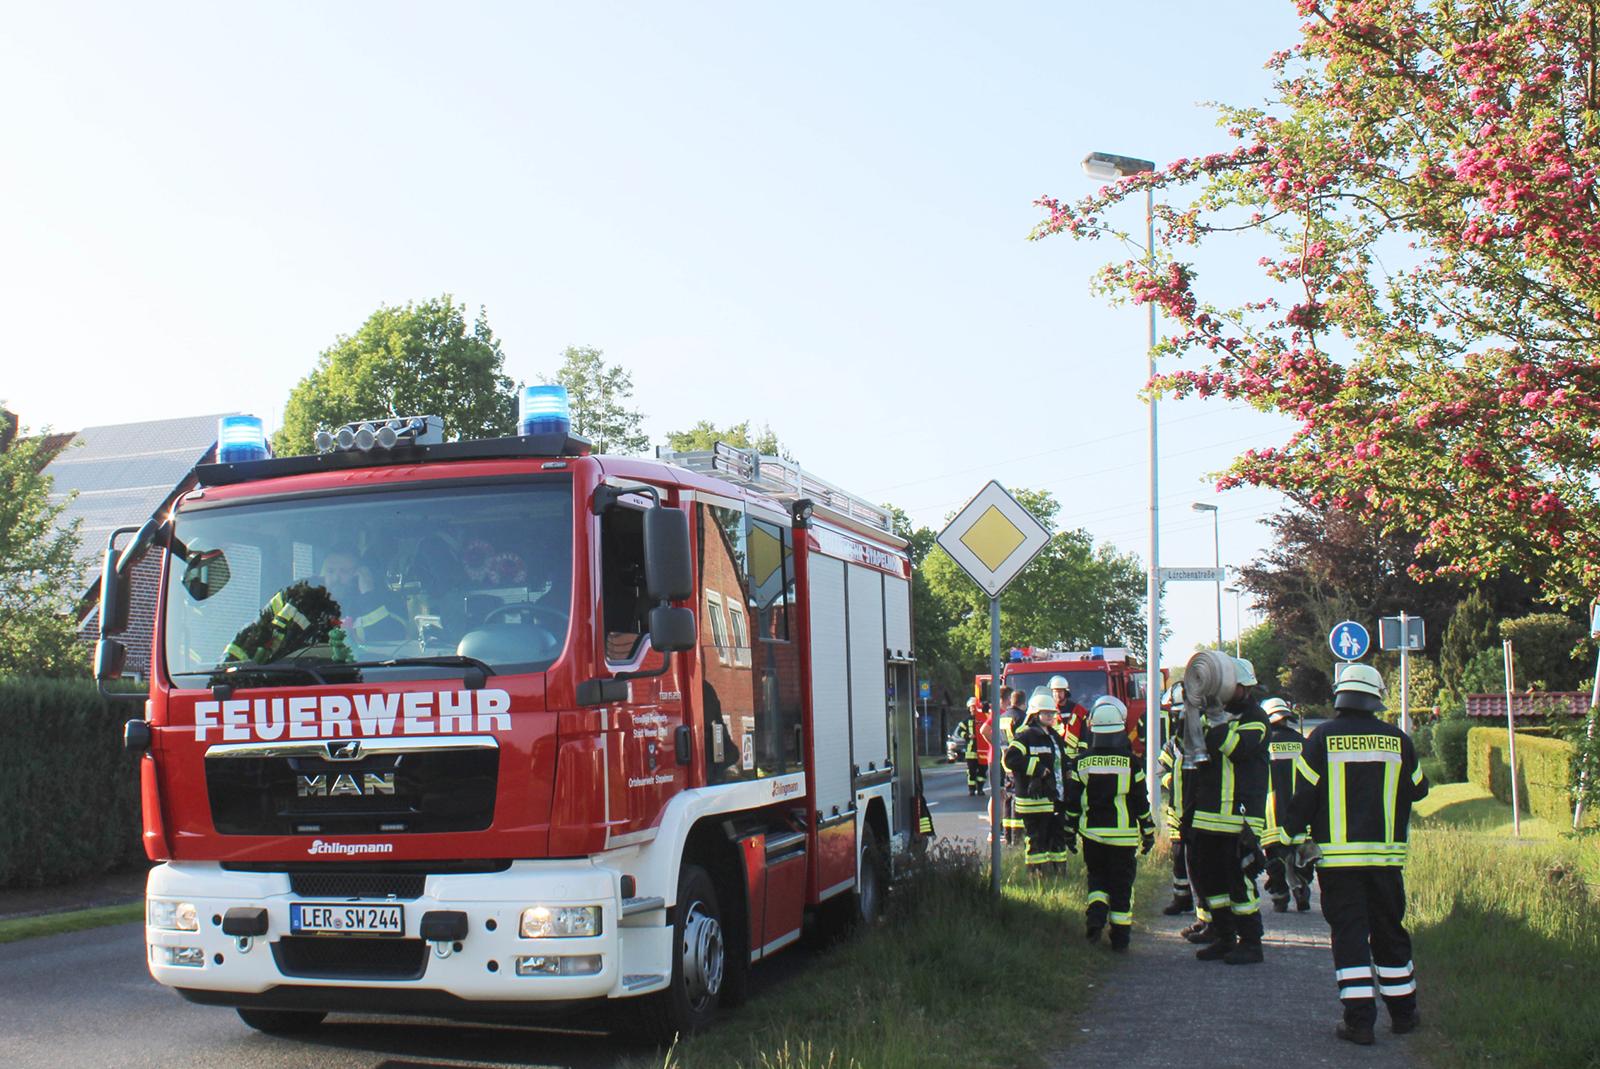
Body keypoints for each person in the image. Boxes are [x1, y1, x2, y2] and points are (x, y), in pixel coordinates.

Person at [1286, 663, 1428, 1047]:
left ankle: (1359, 1022)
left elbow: (1302, 797)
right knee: (1389, 932)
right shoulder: (1398, 740)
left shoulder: (1320, 739)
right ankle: (1404, 1015)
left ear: (1340, 696)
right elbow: (1419, 789)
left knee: (1349, 936)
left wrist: (1289, 841)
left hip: (1338, 864)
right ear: (1376, 698)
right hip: (1385, 861)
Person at [1184, 656, 1270, 965]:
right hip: (1208, 814)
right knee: (1211, 880)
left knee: (1239, 880)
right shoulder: (1210, 715)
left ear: (1244, 687)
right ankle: (1223, 936)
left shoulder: (1256, 719)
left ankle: (1251, 942)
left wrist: (1216, 718)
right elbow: (1192, 758)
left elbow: (1237, 750)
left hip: (1240, 816)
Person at [1064, 695, 1154, 949]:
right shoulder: (1132, 763)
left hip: (1092, 835)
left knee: (1097, 879)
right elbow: (1140, 801)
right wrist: (1148, 831)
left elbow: (1073, 802)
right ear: (1119, 729)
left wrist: (1069, 831)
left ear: (1092, 728)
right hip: (1123, 838)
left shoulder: (1081, 762)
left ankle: (1095, 918)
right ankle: (1120, 938)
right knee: (1121, 886)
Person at [1003, 690, 1071, 876]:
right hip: (1034, 800)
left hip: (1054, 797)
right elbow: (1011, 759)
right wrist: (1037, 769)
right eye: (1045, 713)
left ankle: (1059, 873)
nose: (1050, 716)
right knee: (1037, 838)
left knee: (1057, 837)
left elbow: (1061, 761)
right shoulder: (1026, 736)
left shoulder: (1054, 736)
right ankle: (1036, 874)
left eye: (1052, 713)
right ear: (1035, 714)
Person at [1261, 696, 1314, 912]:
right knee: (1302, 856)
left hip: (1271, 815)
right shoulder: (1303, 743)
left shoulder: (1262, 744)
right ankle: (1301, 887)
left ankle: (1280, 896)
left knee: (1275, 858)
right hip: (1300, 813)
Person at [1157, 683, 1194, 916]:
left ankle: (1207, 906)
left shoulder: (1206, 740)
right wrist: (1171, 780)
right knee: (1178, 857)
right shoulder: (1172, 745)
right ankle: (1181, 898)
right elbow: (1161, 770)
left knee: (1201, 860)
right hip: (1177, 812)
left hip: (1200, 812)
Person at [998, 688, 1029, 846]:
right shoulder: (1022, 718)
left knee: (1008, 799)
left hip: (1005, 762)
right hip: (1018, 763)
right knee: (1018, 799)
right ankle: (1017, 837)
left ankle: (1008, 835)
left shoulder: (1002, 717)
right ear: (1024, 703)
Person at [960, 698, 987, 797]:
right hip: (971, 751)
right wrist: (967, 736)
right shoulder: (966, 721)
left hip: (983, 750)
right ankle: (971, 790)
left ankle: (980, 789)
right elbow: (960, 731)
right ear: (969, 708)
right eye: (971, 707)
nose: (973, 709)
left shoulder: (984, 718)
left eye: (975, 707)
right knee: (971, 771)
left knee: (982, 770)